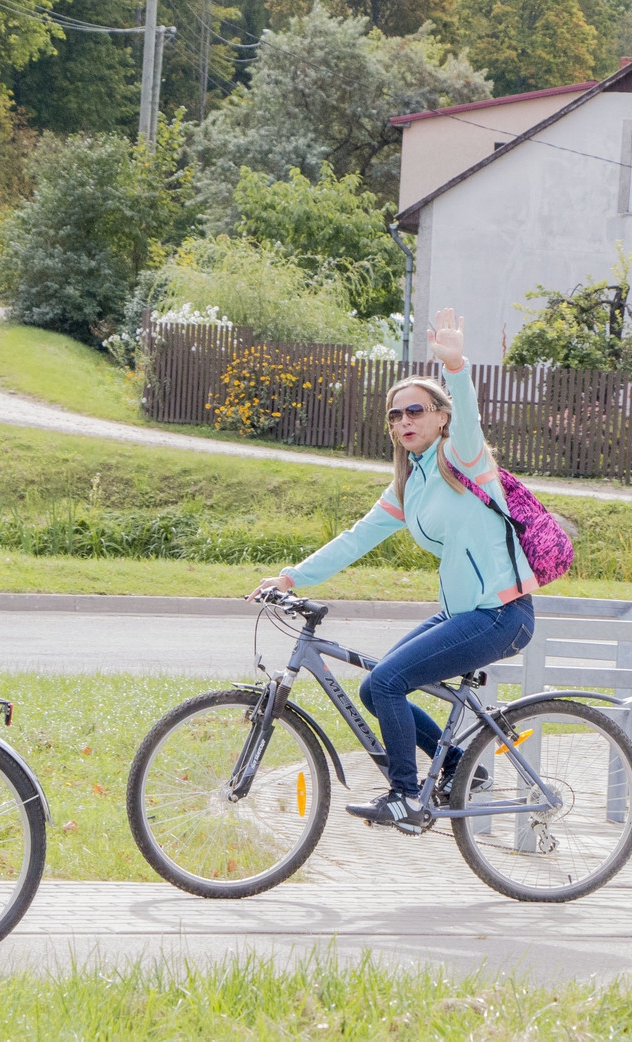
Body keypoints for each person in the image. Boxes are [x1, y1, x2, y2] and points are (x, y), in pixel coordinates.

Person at [251, 308, 536, 832]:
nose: (405, 421)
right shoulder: (408, 485)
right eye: (395, 415)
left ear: (440, 417)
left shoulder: (463, 457)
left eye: (416, 411)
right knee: (374, 688)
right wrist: (291, 577)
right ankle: (457, 770)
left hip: (501, 613)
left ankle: (405, 796)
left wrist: (455, 366)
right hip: (465, 613)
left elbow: (468, 409)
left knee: (386, 683)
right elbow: (357, 538)